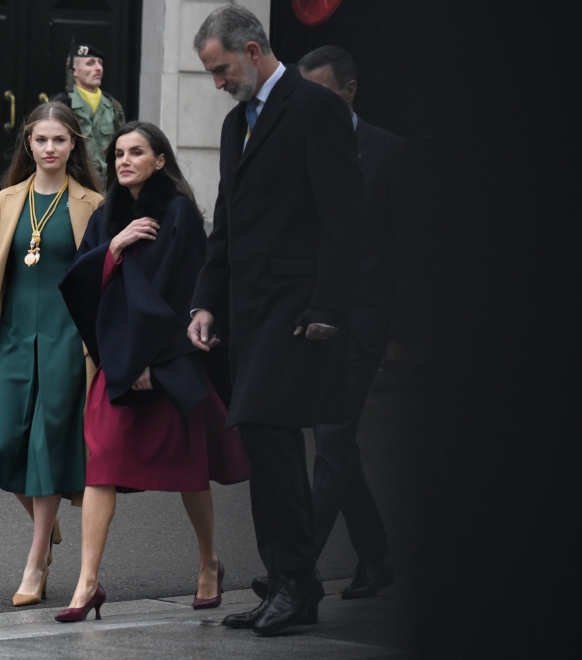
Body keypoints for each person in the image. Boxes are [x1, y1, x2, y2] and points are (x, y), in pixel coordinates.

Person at [187, 6, 363, 636]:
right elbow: (225, 227)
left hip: (298, 313)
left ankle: (296, 582)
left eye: (221, 69)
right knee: (267, 444)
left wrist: (327, 309)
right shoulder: (238, 125)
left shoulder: (316, 110)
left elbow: (345, 220)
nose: (217, 83)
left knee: (265, 428)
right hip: (246, 314)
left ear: (255, 50)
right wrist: (205, 302)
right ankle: (286, 582)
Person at [55, 122, 248, 623]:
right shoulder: (106, 215)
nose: (124, 161)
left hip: (166, 361)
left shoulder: (179, 212)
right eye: (118, 153)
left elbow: (185, 290)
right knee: (102, 466)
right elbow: (81, 282)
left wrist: (148, 357)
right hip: (119, 363)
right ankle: (87, 583)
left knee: (188, 470)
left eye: (136, 152)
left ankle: (209, 564)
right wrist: (113, 246)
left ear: (159, 160)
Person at [0, 102, 105, 607]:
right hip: (14, 336)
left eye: (59, 141)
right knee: (1, 444)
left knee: (46, 446)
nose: (49, 149)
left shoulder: (92, 203)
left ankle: (36, 559)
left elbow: (103, 278)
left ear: (73, 146)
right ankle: (49, 523)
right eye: (40, 140)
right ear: (28, 145)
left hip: (67, 338)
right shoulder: (6, 201)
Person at [292, 45, 418, 599]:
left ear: (349, 90)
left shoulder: (391, 154)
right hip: (313, 320)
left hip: (365, 323)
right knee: (337, 444)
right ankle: (374, 556)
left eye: (321, 91)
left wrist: (401, 334)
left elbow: (410, 249)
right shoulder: (300, 147)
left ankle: (294, 570)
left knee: (335, 439)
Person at [50, 44, 125, 178]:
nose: (98, 68)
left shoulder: (113, 106)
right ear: (75, 71)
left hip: (108, 185)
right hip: (75, 182)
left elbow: (123, 147)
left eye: (100, 63)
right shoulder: (62, 106)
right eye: (90, 63)